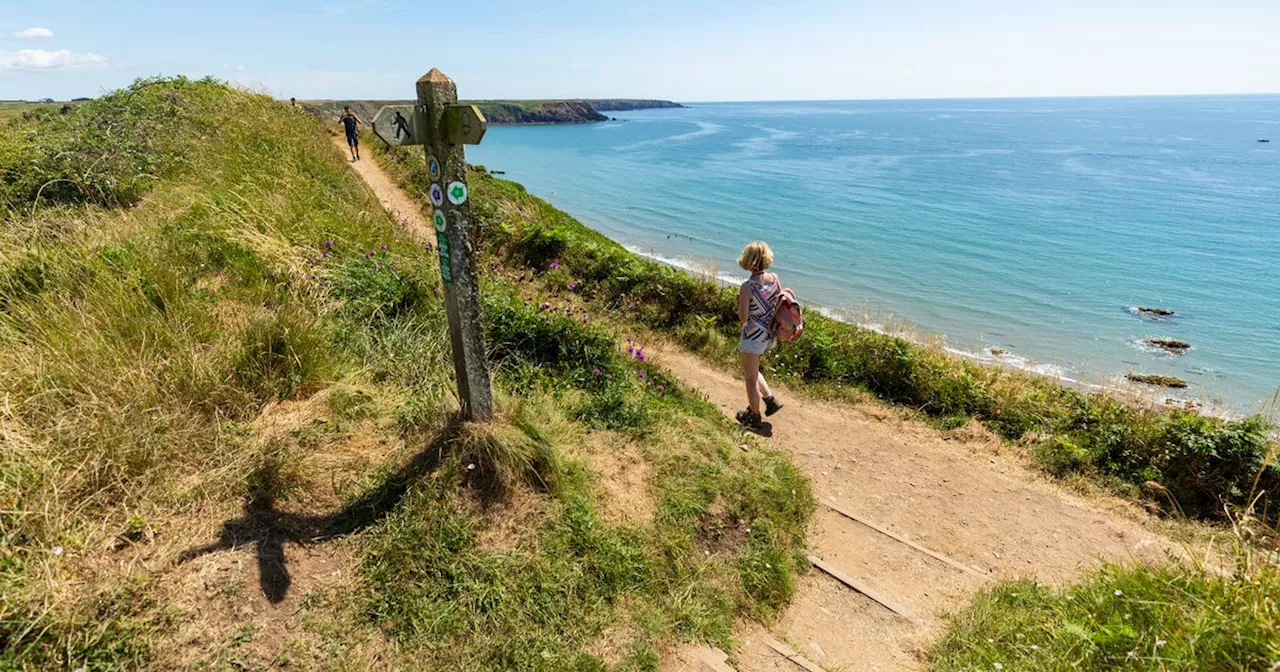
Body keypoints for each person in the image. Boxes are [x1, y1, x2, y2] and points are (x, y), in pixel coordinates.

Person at [735, 241, 784, 429]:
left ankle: (754, 417)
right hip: (768, 336)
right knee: (754, 371)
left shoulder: (747, 287)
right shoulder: (774, 279)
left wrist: (740, 307)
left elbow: (743, 317)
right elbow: (777, 304)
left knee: (750, 378)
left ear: (747, 260)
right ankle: (770, 400)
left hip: (752, 337)